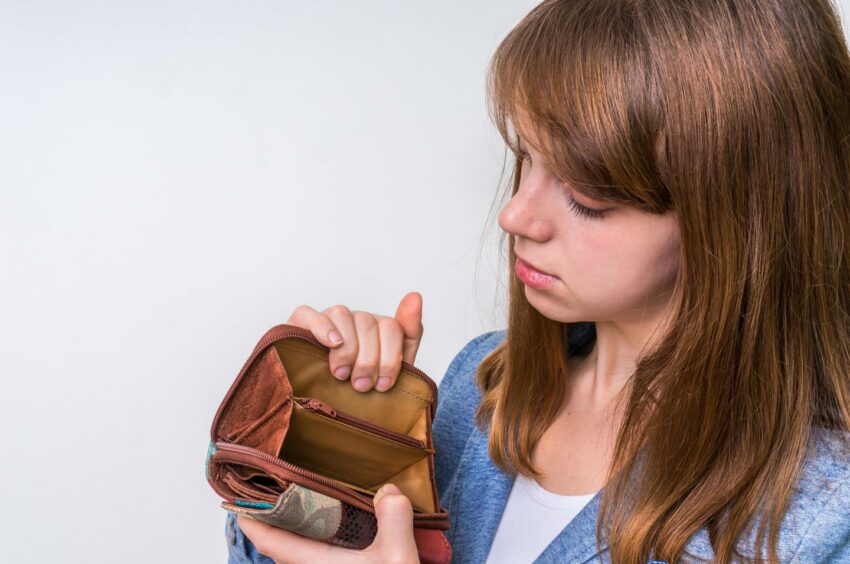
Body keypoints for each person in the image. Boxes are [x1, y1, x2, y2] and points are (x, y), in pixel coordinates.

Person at [224, 0, 850, 562]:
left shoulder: (821, 515)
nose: (514, 215)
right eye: (525, 157)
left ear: (742, 214)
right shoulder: (482, 387)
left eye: (586, 195)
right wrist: (322, 467)